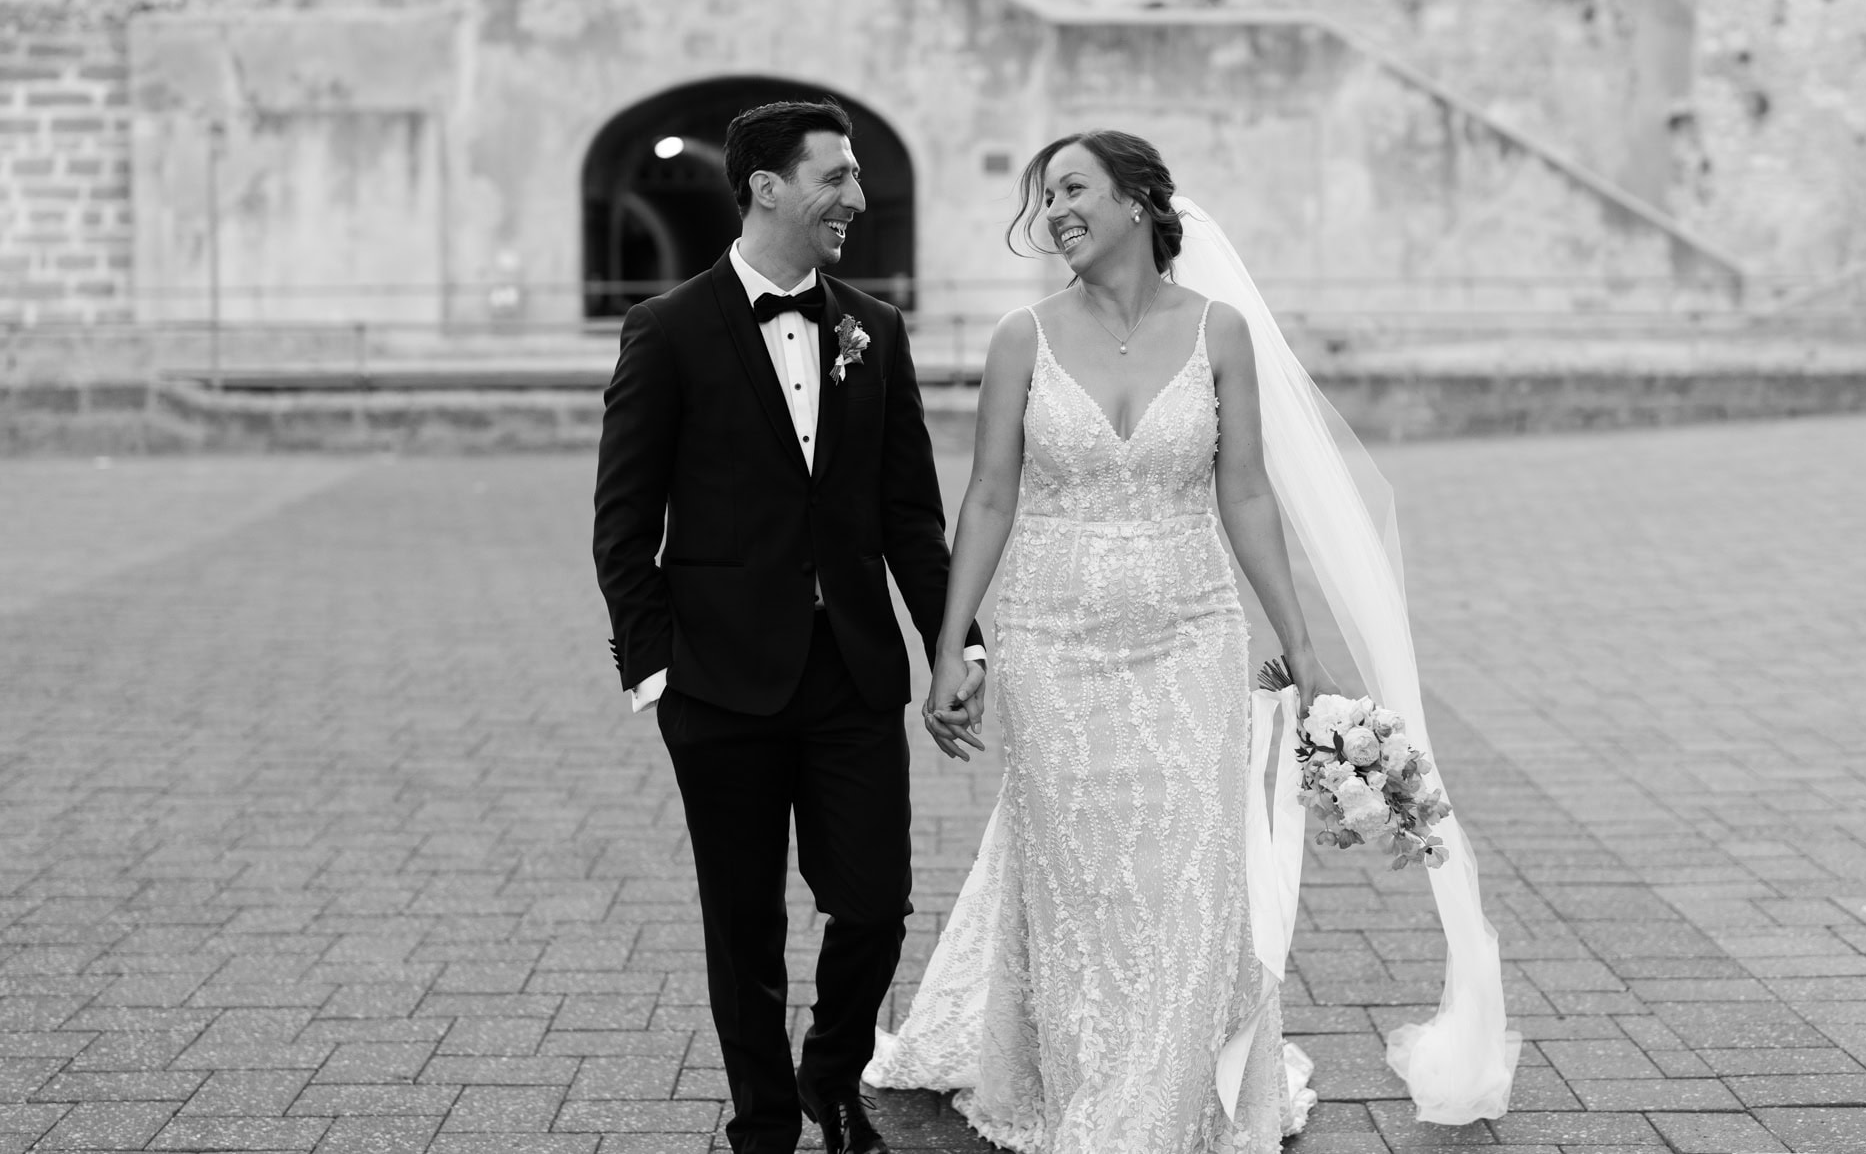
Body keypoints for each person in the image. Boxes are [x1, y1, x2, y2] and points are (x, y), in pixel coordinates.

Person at [866, 132, 1518, 1149]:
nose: (1054, 212)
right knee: (1077, 871)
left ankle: (1167, 1095)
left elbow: (1245, 489)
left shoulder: (1218, 333)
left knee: (1184, 871)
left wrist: (1301, 649)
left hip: (1188, 638)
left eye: (1073, 189)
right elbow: (989, 495)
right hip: (1049, 641)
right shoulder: (1018, 339)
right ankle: (1081, 1077)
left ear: (1138, 201)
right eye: (1045, 198)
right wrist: (952, 647)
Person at [592, 98, 984, 1154]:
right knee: (744, 923)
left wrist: (958, 641)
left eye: (855, 177)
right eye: (835, 177)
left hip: (853, 672)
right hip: (716, 681)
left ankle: (834, 1070)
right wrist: (653, 670)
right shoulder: (666, 330)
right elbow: (623, 521)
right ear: (767, 185)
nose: (854, 198)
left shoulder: (875, 329)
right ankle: (763, 1120)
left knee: (876, 901)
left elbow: (910, 510)